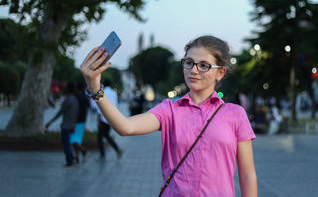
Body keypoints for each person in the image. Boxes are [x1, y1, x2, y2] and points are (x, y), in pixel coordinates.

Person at [80, 35, 257, 196]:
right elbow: (125, 127)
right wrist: (96, 89)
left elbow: (247, 174)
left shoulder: (235, 114)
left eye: (204, 65)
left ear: (220, 72)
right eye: (189, 62)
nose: (194, 70)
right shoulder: (169, 110)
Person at [45, 82, 79, 168]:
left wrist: (50, 122)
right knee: (68, 143)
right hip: (71, 124)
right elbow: (76, 114)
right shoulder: (75, 100)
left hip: (66, 125)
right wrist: (74, 124)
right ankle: (71, 158)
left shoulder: (68, 100)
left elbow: (60, 113)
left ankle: (69, 161)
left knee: (66, 144)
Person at [91, 79, 123, 160]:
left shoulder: (101, 92)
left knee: (100, 137)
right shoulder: (114, 93)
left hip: (103, 118)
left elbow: (98, 106)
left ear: (103, 85)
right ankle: (118, 150)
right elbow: (115, 105)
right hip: (111, 117)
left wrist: (98, 119)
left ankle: (103, 155)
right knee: (106, 135)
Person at [70, 81, 90, 163]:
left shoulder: (75, 97)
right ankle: (77, 157)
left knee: (72, 139)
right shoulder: (85, 97)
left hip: (76, 120)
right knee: (77, 140)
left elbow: (74, 110)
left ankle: (84, 151)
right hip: (82, 120)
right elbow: (87, 109)